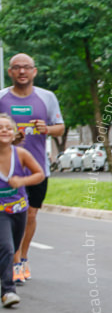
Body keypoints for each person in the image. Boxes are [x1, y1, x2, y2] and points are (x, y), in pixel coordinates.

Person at [0, 54, 65, 284]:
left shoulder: (46, 98)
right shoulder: (1, 98)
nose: (22, 72)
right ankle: (14, 261)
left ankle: (23, 256)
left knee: (30, 214)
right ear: (10, 72)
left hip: (37, 167)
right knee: (10, 213)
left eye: (26, 67)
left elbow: (60, 128)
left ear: (34, 72)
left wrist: (46, 128)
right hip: (7, 168)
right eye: (17, 68)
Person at [0, 113, 44, 308]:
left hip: (19, 210)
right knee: (7, 248)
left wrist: (21, 181)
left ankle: (4, 275)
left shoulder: (21, 154)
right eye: (0, 128)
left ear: (14, 132)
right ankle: (8, 291)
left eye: (8, 128)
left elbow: (39, 174)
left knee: (12, 247)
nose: (4, 131)